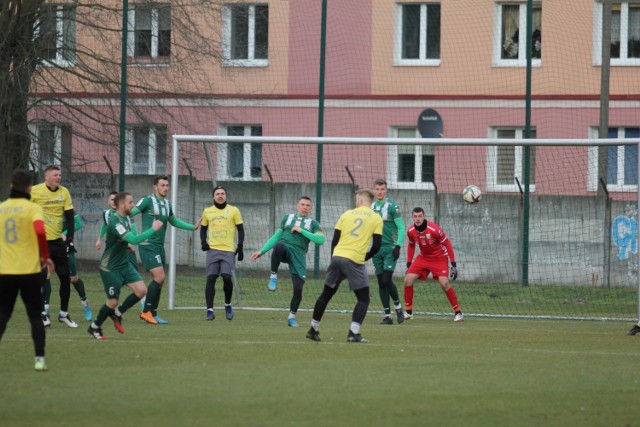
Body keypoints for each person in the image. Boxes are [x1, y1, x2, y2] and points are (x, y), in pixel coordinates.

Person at [305, 189, 383, 343]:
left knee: (326, 295)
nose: (356, 202)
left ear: (360, 201)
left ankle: (313, 329)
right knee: (363, 299)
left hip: (338, 256)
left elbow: (335, 239)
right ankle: (353, 333)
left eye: (356, 200)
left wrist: (334, 257)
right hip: (354, 259)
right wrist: (364, 257)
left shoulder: (346, 214)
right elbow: (377, 246)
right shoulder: (376, 218)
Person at [87, 192, 162, 339]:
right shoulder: (114, 222)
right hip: (110, 267)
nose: (133, 205)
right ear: (121, 205)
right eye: (131, 202)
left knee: (141, 290)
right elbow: (134, 239)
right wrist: (152, 229)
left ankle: (117, 314)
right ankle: (94, 327)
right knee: (112, 301)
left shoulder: (126, 217)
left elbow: (131, 236)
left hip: (124, 265)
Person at [0, 169, 54, 371]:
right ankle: (39, 360)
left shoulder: (2, 208)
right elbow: (40, 230)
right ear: (30, 188)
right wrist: (45, 257)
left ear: (11, 186)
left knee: (3, 314)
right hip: (29, 272)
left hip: (5, 271)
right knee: (34, 315)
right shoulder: (33, 208)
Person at [131, 175, 200, 325]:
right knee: (160, 277)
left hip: (159, 247)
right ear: (155, 187)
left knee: (160, 281)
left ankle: (153, 313)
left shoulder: (167, 204)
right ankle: (145, 311)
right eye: (162, 185)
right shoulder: (147, 200)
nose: (165, 188)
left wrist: (192, 227)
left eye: (167, 185)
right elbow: (132, 212)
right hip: (147, 245)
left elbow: (173, 220)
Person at [250, 196, 325, 327]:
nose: (305, 207)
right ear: (297, 205)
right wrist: (261, 251)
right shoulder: (287, 218)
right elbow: (276, 237)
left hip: (298, 256)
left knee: (298, 289)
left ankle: (291, 317)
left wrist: (301, 231)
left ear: (310, 208)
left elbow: (320, 240)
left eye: (307, 205)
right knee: (279, 245)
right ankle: (273, 275)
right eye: (302, 204)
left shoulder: (313, 223)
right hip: (284, 248)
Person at [30, 164, 78, 328]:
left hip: (58, 242)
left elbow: (70, 218)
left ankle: (63, 314)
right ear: (47, 177)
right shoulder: (35, 191)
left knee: (65, 279)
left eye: (60, 174)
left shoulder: (64, 192)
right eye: (56, 175)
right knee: (42, 277)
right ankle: (42, 313)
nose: (59, 177)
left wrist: (70, 240)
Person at [404, 207, 463, 322]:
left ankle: (458, 313)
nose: (417, 219)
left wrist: (453, 265)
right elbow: (411, 245)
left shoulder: (434, 229)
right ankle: (408, 312)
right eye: (415, 216)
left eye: (420, 216)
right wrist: (408, 263)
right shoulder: (411, 231)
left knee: (444, 283)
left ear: (424, 216)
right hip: (423, 257)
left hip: (439, 258)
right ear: (412, 217)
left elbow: (447, 243)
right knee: (408, 280)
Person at [200, 186, 244, 321]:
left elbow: (241, 230)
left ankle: (228, 304)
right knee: (211, 278)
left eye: (223, 193)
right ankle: (209, 311)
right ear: (213, 197)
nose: (220, 196)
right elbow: (203, 229)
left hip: (228, 250)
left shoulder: (234, 210)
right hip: (212, 250)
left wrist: (240, 247)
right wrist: (203, 242)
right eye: (217, 194)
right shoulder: (207, 211)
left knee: (226, 276)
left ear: (226, 196)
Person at [371, 179, 405, 325]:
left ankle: (398, 307)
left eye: (382, 189)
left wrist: (398, 246)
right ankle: (387, 315)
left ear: (386, 191)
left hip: (389, 248)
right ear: (374, 190)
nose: (379, 192)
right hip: (376, 249)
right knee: (381, 282)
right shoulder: (370, 207)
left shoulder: (392, 206)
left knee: (386, 279)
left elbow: (402, 228)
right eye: (377, 189)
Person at [62, 212, 93, 321]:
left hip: (66, 247)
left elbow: (79, 224)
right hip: (51, 246)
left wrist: (64, 233)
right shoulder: (46, 208)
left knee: (73, 279)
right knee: (45, 275)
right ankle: (44, 313)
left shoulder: (67, 209)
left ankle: (85, 305)